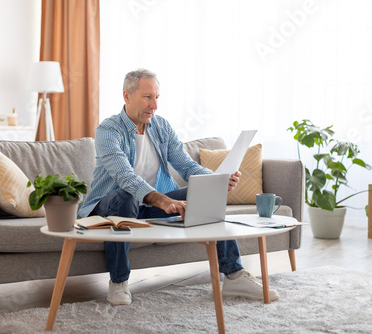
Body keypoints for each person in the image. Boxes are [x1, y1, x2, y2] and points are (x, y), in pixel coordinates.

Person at [78, 69, 279, 305]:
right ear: (126, 96)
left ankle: (233, 274)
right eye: (147, 97)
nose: (154, 105)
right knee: (125, 197)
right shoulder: (108, 130)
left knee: (205, 193)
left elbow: (186, 165)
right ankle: (119, 281)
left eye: (156, 97)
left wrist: (217, 180)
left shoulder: (161, 127)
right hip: (112, 204)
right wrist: (164, 200)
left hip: (150, 206)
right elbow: (125, 177)